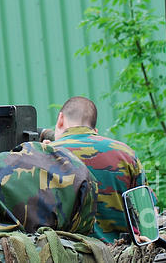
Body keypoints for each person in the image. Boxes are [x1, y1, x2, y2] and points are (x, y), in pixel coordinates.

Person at [50, 96, 146, 243]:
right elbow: (146, 217)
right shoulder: (126, 153)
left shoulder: (45, 153)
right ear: (94, 130)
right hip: (118, 254)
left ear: (60, 119)